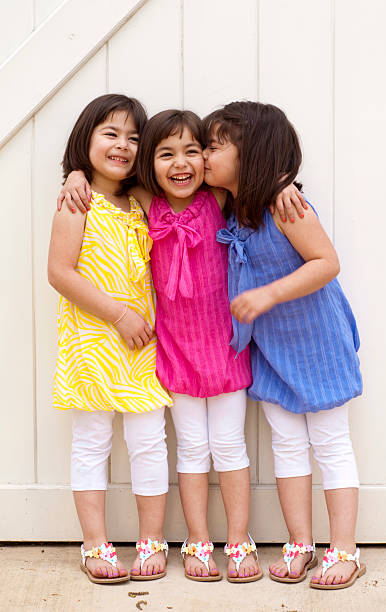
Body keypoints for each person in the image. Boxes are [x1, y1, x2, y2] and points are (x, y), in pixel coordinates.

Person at [58, 107, 306, 583]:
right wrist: (73, 173)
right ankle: (196, 540)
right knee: (192, 449)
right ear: (149, 163)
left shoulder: (218, 197)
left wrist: (282, 183)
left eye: (193, 151)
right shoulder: (144, 203)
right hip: (175, 351)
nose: (181, 163)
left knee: (230, 446)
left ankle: (238, 539)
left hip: (227, 347)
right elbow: (105, 180)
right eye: (166, 154)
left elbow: (248, 175)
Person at [202, 100, 366, 590]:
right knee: (288, 444)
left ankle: (346, 551)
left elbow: (325, 262)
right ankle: (301, 543)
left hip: (317, 343)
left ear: (250, 153)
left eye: (215, 146)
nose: (205, 156)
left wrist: (268, 293)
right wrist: (76, 176)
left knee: (331, 443)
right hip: (271, 347)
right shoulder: (232, 206)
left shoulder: (284, 204)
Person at [48, 94, 172, 584]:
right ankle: (95, 543)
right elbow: (59, 273)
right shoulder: (76, 201)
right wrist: (74, 174)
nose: (123, 145)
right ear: (87, 139)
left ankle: (151, 539)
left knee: (148, 442)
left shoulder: (141, 200)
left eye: (134, 138)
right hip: (92, 339)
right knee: (92, 442)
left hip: (142, 342)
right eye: (111, 134)